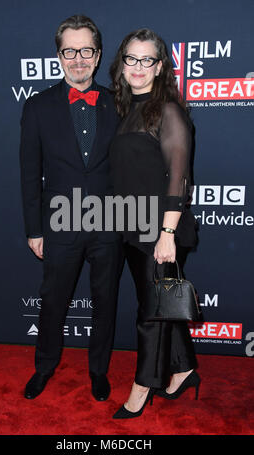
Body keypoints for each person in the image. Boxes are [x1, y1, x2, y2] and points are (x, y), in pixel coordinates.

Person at [19, 15, 124, 401]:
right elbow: (29, 173)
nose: (78, 59)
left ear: (97, 56)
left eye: (86, 51)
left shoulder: (118, 103)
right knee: (53, 303)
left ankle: (99, 371)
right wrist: (34, 229)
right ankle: (44, 367)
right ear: (58, 55)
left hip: (109, 223)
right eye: (70, 51)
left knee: (105, 303)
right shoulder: (37, 107)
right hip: (59, 224)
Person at [109, 28, 199, 419]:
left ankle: (143, 386)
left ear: (160, 66)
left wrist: (166, 235)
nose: (139, 67)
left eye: (148, 60)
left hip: (162, 229)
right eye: (132, 58)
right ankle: (185, 369)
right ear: (122, 64)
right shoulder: (128, 109)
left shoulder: (169, 111)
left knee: (149, 313)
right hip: (133, 226)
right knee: (161, 305)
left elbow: (179, 177)